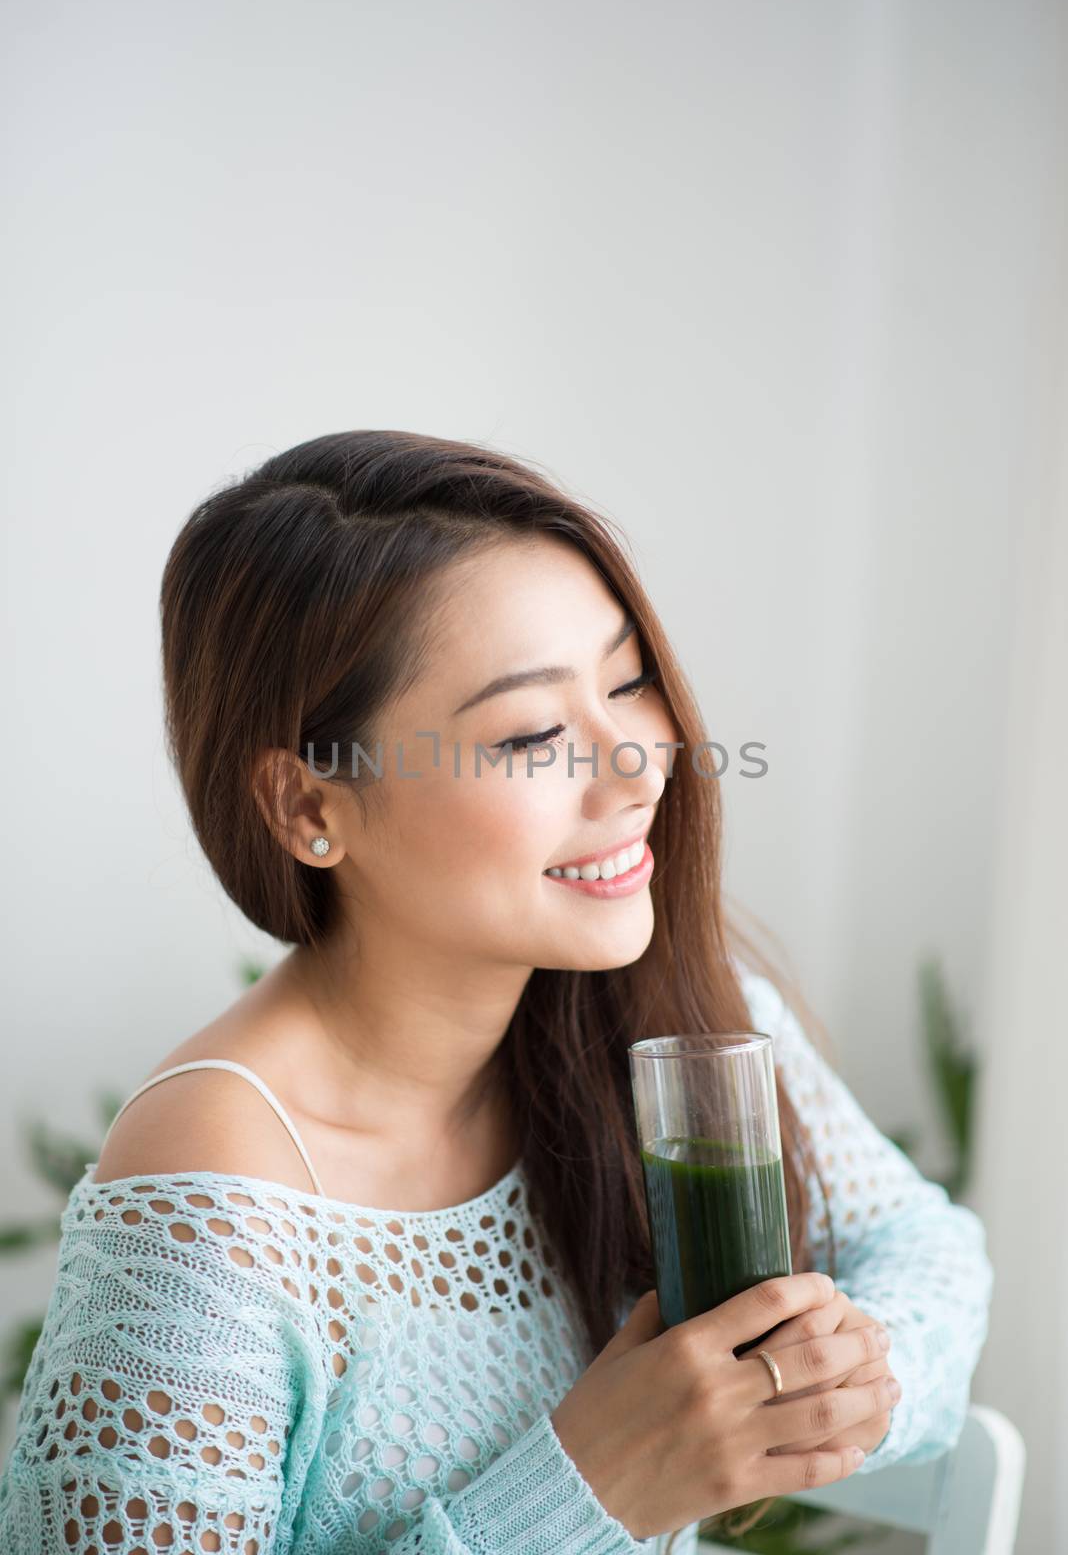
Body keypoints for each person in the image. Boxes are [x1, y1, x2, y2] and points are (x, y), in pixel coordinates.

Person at [0, 431, 993, 1554]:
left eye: (627, 681)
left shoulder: (663, 1017)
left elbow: (927, 1250)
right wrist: (590, 1491)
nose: (638, 767)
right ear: (309, 807)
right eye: (531, 735)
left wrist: (840, 1384)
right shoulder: (215, 1200)